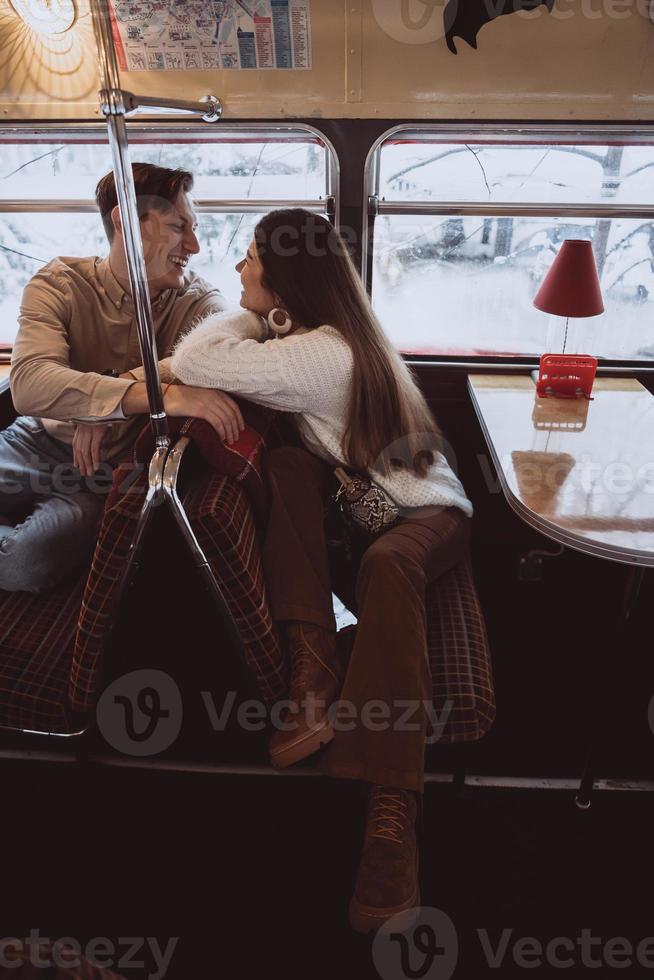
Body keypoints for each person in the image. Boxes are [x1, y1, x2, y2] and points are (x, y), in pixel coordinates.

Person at [170, 208, 474, 933]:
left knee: (393, 565)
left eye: (249, 258)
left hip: (430, 516)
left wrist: (252, 322)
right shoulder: (313, 338)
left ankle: (391, 816)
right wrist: (266, 316)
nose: (236, 269)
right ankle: (312, 672)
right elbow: (213, 360)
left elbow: (194, 359)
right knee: (285, 465)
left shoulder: (322, 355)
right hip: (371, 508)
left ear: (285, 279)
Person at [0, 162, 245, 593]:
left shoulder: (196, 298)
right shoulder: (59, 284)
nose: (195, 245)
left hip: (102, 473)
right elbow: (30, 383)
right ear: (126, 221)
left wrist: (123, 395)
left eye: (195, 228)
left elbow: (236, 339)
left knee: (27, 565)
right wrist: (156, 395)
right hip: (33, 441)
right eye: (177, 227)